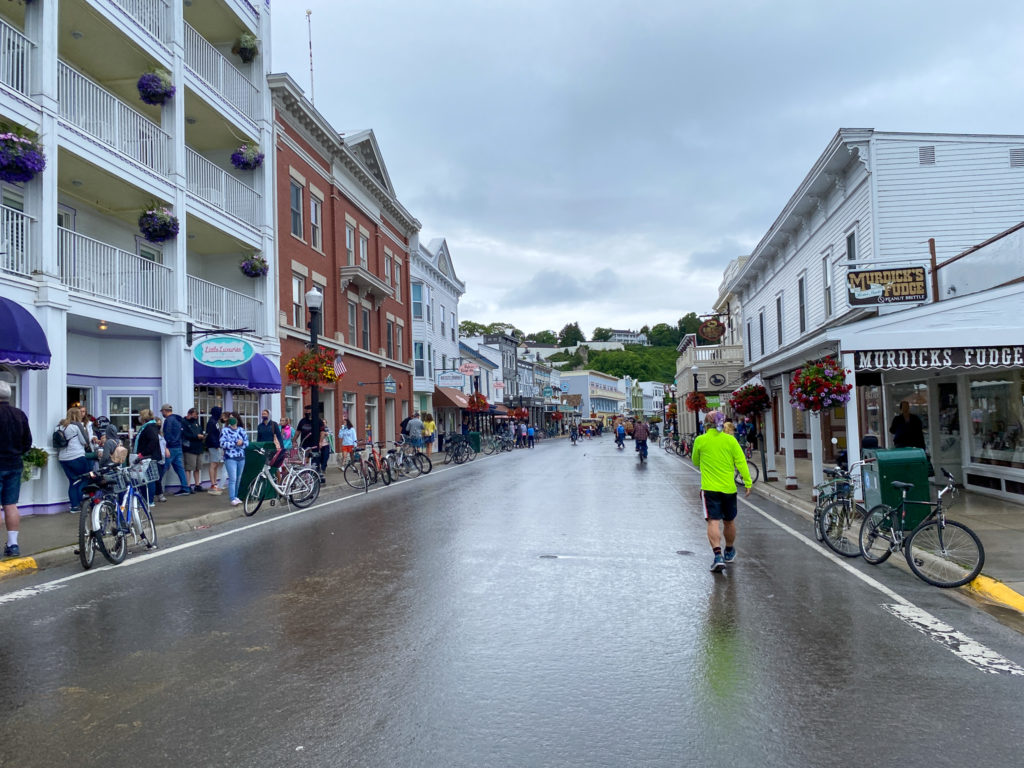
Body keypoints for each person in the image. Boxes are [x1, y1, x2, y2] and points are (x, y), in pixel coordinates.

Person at [692, 410, 752, 573]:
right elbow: (741, 462)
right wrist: (747, 482)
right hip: (728, 488)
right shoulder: (730, 441)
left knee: (713, 521)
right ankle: (729, 550)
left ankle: (717, 556)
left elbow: (695, 461)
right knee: (729, 521)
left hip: (709, 488)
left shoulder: (700, 440)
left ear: (706, 424)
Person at [0, 381, 30, 557]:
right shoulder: (19, 415)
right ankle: (13, 545)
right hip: (14, 463)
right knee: (10, 505)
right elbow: (27, 442)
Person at [57, 407, 92, 513]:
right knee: (85, 478)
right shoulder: (77, 426)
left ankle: (74, 506)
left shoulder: (59, 426)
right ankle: (83, 503)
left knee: (73, 481)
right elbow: (84, 441)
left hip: (63, 458)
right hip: (77, 456)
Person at [160, 404, 191, 495]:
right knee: (180, 468)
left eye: (162, 411)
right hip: (178, 446)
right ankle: (185, 488)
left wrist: (166, 446)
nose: (162, 413)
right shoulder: (178, 419)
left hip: (170, 447)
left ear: (165, 411)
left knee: (163, 468)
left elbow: (167, 434)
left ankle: (157, 489)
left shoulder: (168, 420)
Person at [133, 409, 163, 504]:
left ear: (143, 417)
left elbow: (153, 441)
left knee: (149, 479)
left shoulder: (149, 428)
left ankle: (149, 501)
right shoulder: (150, 427)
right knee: (147, 478)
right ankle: (147, 500)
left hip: (149, 457)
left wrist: (143, 453)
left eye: (140, 416)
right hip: (148, 456)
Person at [219, 415, 248, 506]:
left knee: (238, 478)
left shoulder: (241, 430)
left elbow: (247, 442)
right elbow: (222, 443)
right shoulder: (225, 430)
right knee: (233, 478)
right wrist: (235, 443)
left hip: (241, 457)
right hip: (230, 457)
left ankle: (236, 496)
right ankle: (232, 498)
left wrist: (242, 443)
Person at [182, 407, 205, 492]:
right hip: (190, 448)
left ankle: (197, 485)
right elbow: (185, 435)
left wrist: (202, 436)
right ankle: (188, 485)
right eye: (195, 415)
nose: (196, 417)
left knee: (197, 468)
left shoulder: (196, 422)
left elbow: (200, 430)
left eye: (197, 415)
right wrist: (196, 436)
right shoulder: (184, 422)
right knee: (189, 467)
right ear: (189, 414)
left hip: (198, 447)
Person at [204, 406, 224, 495]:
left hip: (216, 445)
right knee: (213, 464)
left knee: (216, 464)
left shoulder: (215, 421)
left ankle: (214, 483)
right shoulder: (212, 422)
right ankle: (213, 483)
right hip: (213, 446)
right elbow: (211, 434)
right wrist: (216, 444)